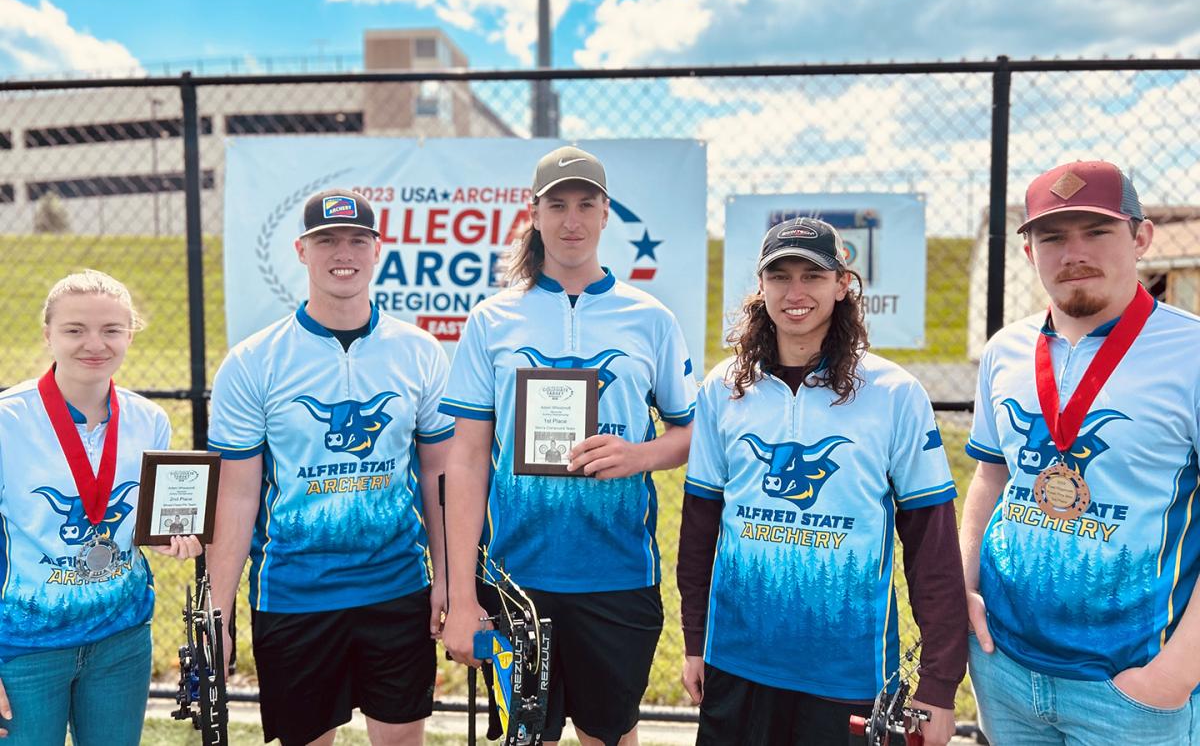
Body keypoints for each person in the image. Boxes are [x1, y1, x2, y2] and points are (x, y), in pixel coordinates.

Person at [441, 146, 697, 746]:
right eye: (557, 204)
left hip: (617, 574)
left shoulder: (650, 318)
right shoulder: (492, 320)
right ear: (534, 214)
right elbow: (469, 458)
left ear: (607, 214)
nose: (572, 219)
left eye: (587, 204)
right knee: (529, 738)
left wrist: (638, 455)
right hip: (516, 577)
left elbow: (688, 435)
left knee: (609, 734)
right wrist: (459, 596)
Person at [678, 218, 966, 746]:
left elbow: (932, 548)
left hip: (848, 675)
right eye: (779, 276)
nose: (795, 292)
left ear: (841, 286)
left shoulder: (893, 394)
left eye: (812, 275)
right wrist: (695, 641)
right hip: (737, 662)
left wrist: (940, 685)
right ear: (759, 288)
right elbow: (699, 527)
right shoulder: (723, 389)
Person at [961, 160, 1200, 744]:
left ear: (1140, 236)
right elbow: (990, 480)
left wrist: (1174, 675)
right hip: (1005, 669)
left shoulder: (1190, 351)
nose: (1074, 253)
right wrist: (961, 594)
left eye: (1097, 232)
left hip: (1133, 684)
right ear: (1029, 252)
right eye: (1053, 237)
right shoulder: (1005, 351)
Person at [206, 188, 454, 746]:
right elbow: (237, 495)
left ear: (377, 249)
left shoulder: (419, 351)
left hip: (397, 588)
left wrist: (451, 582)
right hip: (295, 594)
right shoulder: (253, 361)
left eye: (356, 240)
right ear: (301, 250)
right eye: (326, 240)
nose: (342, 252)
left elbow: (441, 477)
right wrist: (217, 616)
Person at [0, 270, 201, 744]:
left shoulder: (149, 419)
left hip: (121, 638)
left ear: (130, 334)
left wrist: (174, 537)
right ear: (48, 334)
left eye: (111, 330)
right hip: (24, 646)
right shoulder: (8, 420)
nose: (95, 343)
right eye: (75, 330)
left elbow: (143, 522)